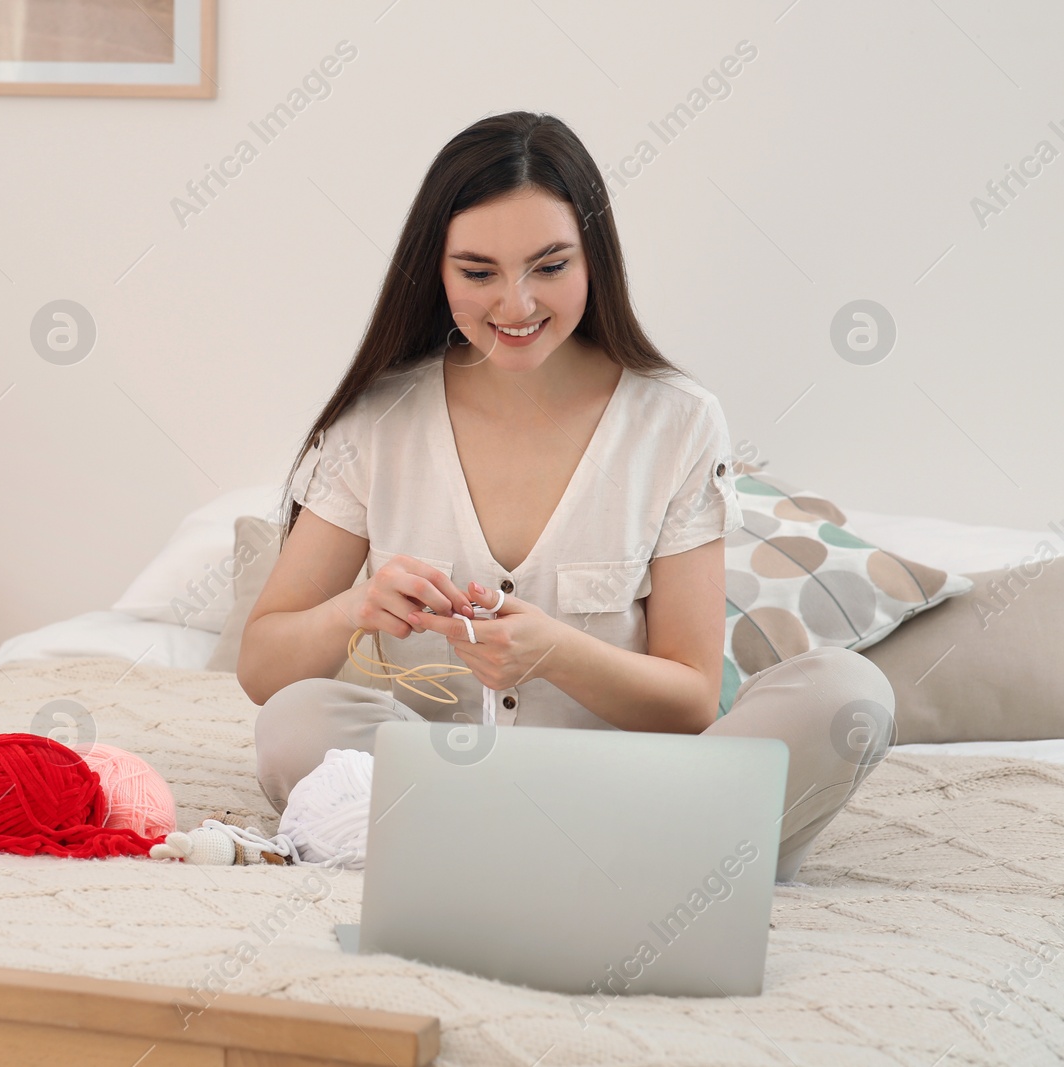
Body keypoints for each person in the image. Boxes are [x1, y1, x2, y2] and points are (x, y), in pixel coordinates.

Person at [239, 111, 896, 882]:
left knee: (848, 693)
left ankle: (520, 865)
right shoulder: (376, 421)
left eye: (549, 266)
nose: (515, 305)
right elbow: (262, 666)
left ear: (595, 260)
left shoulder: (678, 420)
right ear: (436, 271)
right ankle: (658, 870)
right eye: (478, 273)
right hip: (452, 783)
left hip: (630, 789)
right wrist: (354, 609)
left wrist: (555, 651)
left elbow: (691, 700)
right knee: (296, 721)